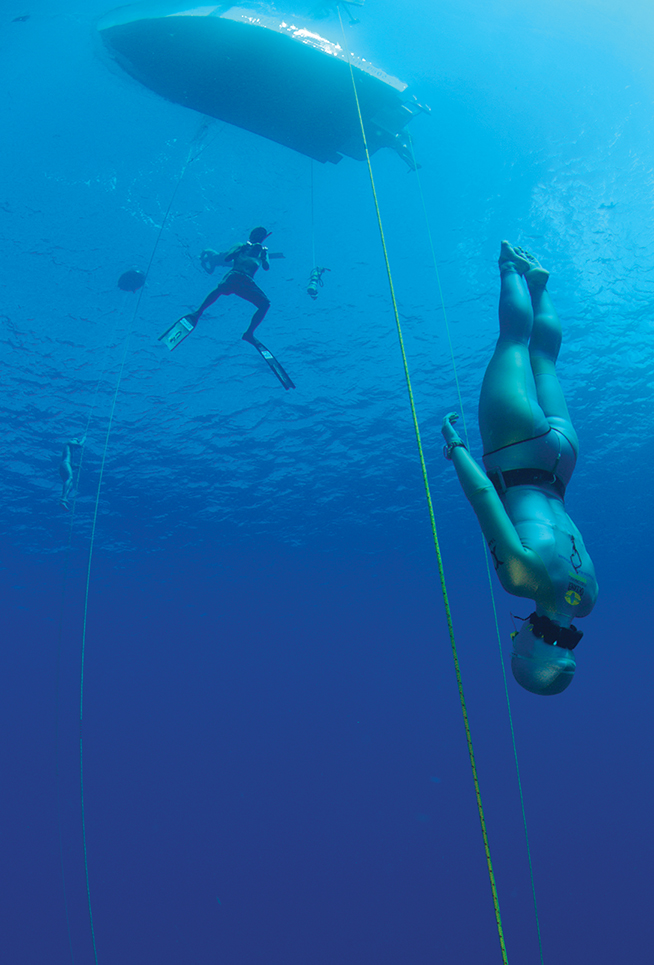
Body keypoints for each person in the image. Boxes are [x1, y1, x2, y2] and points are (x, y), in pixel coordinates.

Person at [441, 242, 598, 696]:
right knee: (512, 341)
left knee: (544, 360)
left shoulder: (587, 599)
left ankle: (538, 284)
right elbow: (485, 499)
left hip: (561, 460)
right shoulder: (521, 580)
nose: (515, 635)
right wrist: (455, 449)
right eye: (517, 644)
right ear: (529, 646)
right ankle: (511, 265)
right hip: (514, 449)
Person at [186, 226, 271, 343]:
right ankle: (198, 312)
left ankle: (249, 333)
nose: (258, 238)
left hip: (248, 282)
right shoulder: (240, 245)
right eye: (256, 234)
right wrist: (241, 249)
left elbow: (266, 267)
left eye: (260, 236)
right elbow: (228, 258)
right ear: (251, 236)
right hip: (235, 275)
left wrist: (264, 256)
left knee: (265, 304)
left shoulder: (262, 252)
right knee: (220, 289)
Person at [59, 437, 85, 510]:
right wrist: (84, 439)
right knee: (70, 478)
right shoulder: (68, 442)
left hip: (65, 465)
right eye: (75, 440)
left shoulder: (70, 451)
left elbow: (71, 465)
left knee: (70, 484)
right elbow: (79, 445)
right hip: (65, 463)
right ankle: (62, 498)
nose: (76, 442)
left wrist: (75, 466)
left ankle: (64, 499)